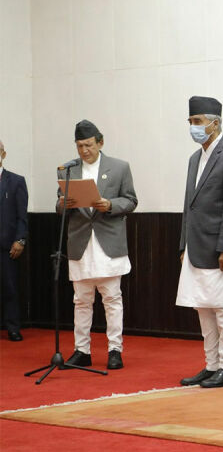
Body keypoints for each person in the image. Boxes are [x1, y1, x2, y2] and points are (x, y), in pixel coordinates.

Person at [176, 96, 223, 389]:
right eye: (191, 122)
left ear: (215, 123)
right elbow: (189, 206)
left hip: (222, 249)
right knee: (203, 309)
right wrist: (184, 245)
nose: (193, 127)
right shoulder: (194, 159)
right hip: (196, 247)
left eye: (198, 121)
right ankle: (211, 365)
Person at [60, 120, 138, 369]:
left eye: (89, 145)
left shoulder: (119, 167)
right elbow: (59, 206)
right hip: (80, 244)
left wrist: (111, 205)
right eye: (79, 146)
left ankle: (115, 350)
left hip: (108, 243)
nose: (84, 150)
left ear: (100, 142)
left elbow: (131, 200)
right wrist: (63, 204)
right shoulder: (68, 170)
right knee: (81, 300)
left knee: (112, 299)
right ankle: (82, 350)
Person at [0, 139, 28, 342]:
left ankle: (13, 327)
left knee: (9, 287)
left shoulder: (16, 181)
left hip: (7, 244)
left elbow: (22, 216)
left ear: (3, 154)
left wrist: (20, 239)